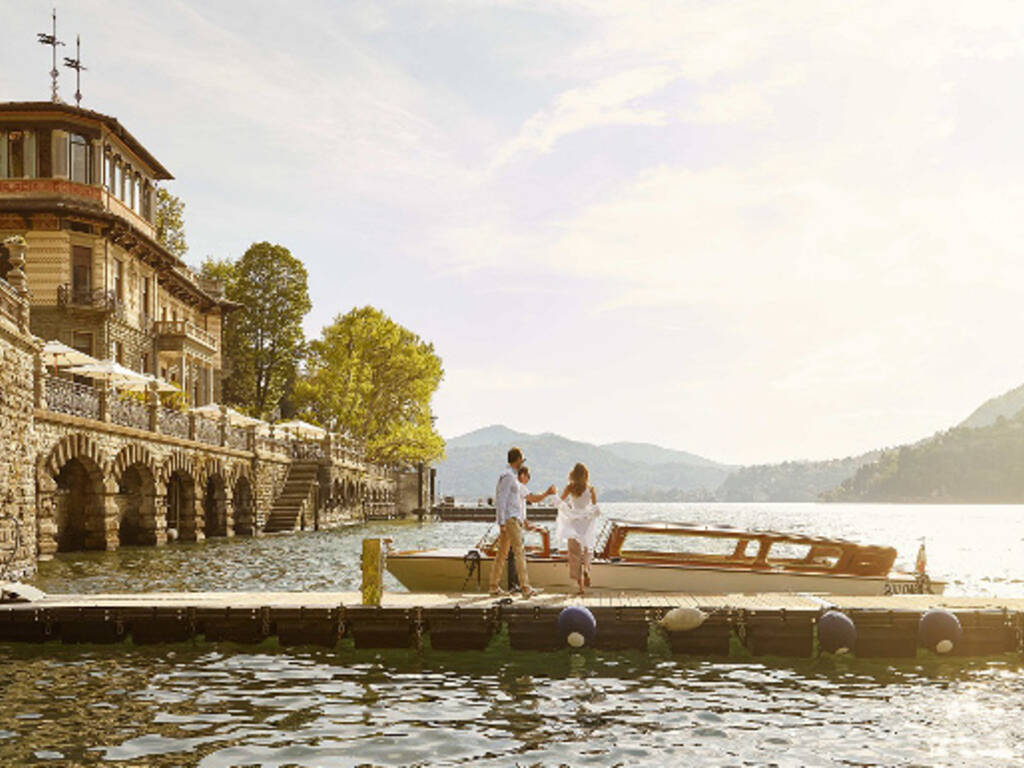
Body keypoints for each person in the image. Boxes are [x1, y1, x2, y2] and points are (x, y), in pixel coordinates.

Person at [489, 447, 549, 598]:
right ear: (517, 460)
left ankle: (493, 586)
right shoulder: (508, 476)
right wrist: (501, 521)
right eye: (521, 459)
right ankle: (525, 588)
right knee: (519, 552)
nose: (522, 462)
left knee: (502, 553)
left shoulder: (512, 476)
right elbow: (501, 499)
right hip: (510, 520)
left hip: (512, 519)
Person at [556, 462, 602, 595]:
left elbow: (560, 501)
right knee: (588, 548)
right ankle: (587, 569)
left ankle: (581, 587)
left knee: (574, 555)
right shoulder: (591, 489)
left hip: (573, 522)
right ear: (586, 475)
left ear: (573, 474)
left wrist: (558, 500)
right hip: (586, 523)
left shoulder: (570, 488)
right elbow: (595, 507)